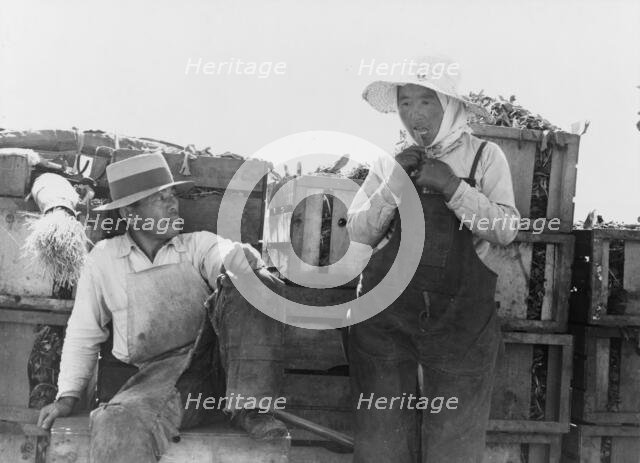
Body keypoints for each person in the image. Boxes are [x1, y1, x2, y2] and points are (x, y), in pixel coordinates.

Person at [37, 152, 287, 462]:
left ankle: (250, 406)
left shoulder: (196, 245)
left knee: (249, 280)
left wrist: (242, 261)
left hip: (211, 373)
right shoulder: (103, 259)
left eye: (173, 196)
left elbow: (225, 255)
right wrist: (67, 397)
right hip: (154, 381)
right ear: (130, 213)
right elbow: (83, 332)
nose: (173, 204)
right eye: (160, 199)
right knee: (116, 423)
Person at [347, 63, 521, 462]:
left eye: (427, 101)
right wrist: (392, 187)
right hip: (388, 319)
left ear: (450, 105)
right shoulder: (390, 163)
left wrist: (451, 186)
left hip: (460, 321)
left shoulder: (484, 157)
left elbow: (506, 228)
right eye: (405, 102)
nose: (415, 113)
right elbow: (359, 232)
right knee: (382, 439)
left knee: (453, 444)